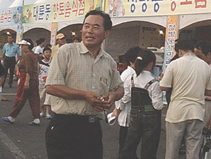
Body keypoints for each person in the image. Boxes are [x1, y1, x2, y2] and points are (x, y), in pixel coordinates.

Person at [45, 10, 124, 159]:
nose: (89, 31)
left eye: (95, 27)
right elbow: (51, 86)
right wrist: (85, 95)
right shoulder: (66, 52)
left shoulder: (108, 61)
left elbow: (120, 88)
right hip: (65, 127)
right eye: (86, 26)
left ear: (106, 33)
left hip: (92, 128)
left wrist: (112, 95)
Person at [160, 39, 211, 159]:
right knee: (193, 149)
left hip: (177, 112)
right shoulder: (205, 66)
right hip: (196, 112)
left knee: (172, 149)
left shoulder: (174, 64)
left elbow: (163, 86)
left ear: (180, 51)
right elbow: (210, 91)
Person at [119, 48, 163, 159]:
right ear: (151, 63)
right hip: (150, 117)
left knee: (129, 146)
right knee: (149, 148)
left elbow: (126, 97)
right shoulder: (153, 82)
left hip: (134, 115)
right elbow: (158, 105)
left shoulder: (132, 78)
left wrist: (118, 108)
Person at [2, 38, 42, 126]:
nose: (21, 47)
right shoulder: (33, 55)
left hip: (27, 77)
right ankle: (36, 118)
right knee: (34, 98)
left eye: (22, 45)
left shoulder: (27, 55)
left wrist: (26, 81)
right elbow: (37, 67)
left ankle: (12, 117)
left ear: (27, 46)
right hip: (34, 79)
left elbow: (28, 69)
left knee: (21, 97)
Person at [112, 46, 141, 156]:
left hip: (130, 114)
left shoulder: (132, 73)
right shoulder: (128, 75)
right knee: (126, 146)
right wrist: (118, 109)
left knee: (128, 146)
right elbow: (125, 95)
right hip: (126, 113)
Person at [39, 46, 53, 119]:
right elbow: (37, 72)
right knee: (41, 97)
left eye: (49, 52)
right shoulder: (40, 63)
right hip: (41, 82)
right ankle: (42, 111)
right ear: (43, 54)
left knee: (48, 97)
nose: (48, 54)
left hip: (49, 83)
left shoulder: (53, 62)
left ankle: (47, 112)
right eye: (46, 52)